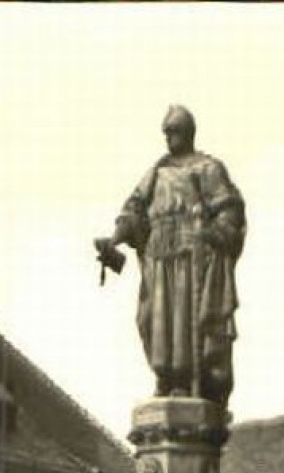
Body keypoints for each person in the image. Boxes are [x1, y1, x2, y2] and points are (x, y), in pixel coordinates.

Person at [97, 106, 246, 408]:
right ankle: (165, 378)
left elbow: (229, 211)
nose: (169, 138)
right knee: (152, 318)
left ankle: (185, 381)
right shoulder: (155, 173)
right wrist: (114, 240)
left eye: (174, 131)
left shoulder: (208, 168)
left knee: (186, 320)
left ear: (189, 132)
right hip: (158, 255)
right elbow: (133, 209)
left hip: (192, 258)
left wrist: (212, 231)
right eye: (166, 132)